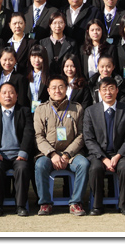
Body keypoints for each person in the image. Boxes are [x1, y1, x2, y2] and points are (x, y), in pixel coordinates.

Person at [33, 76, 89, 216]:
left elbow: (81, 135)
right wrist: (52, 154)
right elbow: (38, 136)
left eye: (61, 87)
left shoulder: (77, 108)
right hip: (48, 154)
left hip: (72, 154)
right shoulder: (41, 109)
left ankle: (76, 202)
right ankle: (45, 203)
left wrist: (67, 154)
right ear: (48, 90)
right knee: (40, 165)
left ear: (66, 88)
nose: (57, 90)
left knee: (84, 164)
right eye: (53, 88)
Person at [84, 76, 125, 216]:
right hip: (99, 154)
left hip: (120, 153)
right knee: (95, 168)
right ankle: (97, 205)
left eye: (111, 88)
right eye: (104, 89)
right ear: (99, 92)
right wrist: (104, 158)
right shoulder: (90, 111)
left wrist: (118, 156)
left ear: (117, 90)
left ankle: (124, 204)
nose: (108, 92)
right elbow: (89, 139)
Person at [0, 82, 35, 217]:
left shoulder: (24, 112)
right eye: (4, 93)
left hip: (19, 155)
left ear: (16, 95)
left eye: (11, 92)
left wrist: (23, 152)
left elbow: (29, 133)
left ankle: (20, 206)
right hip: (0, 155)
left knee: (23, 168)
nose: (8, 95)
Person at [39, 11, 75, 75]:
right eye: (54, 23)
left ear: (65, 24)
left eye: (61, 23)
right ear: (50, 25)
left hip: (65, 76)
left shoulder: (72, 43)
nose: (58, 26)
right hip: (47, 76)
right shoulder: (42, 43)